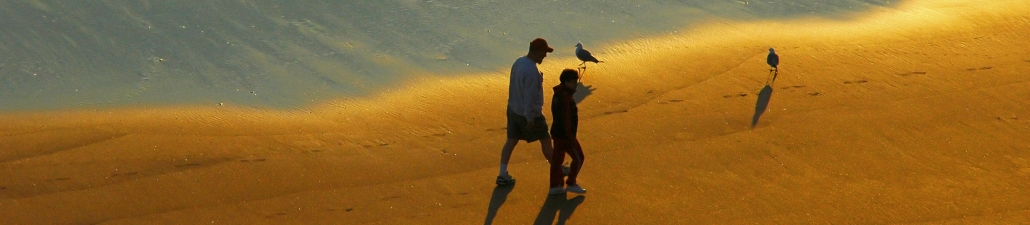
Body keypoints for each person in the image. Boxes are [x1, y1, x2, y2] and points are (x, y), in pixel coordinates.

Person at [497, 38, 555, 186]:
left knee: (511, 141)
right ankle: (558, 169)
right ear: (537, 52)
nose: (545, 56)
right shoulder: (532, 72)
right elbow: (529, 97)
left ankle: (502, 174)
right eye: (544, 53)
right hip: (529, 114)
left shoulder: (519, 62)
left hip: (513, 109)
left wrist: (537, 81)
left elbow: (519, 85)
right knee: (546, 140)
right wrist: (530, 119)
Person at [548, 69, 586, 194]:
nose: (576, 84)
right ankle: (571, 182)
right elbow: (567, 119)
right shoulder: (566, 98)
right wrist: (571, 138)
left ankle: (555, 186)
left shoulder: (557, 94)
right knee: (579, 158)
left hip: (556, 132)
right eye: (573, 82)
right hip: (566, 135)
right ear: (566, 82)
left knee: (557, 160)